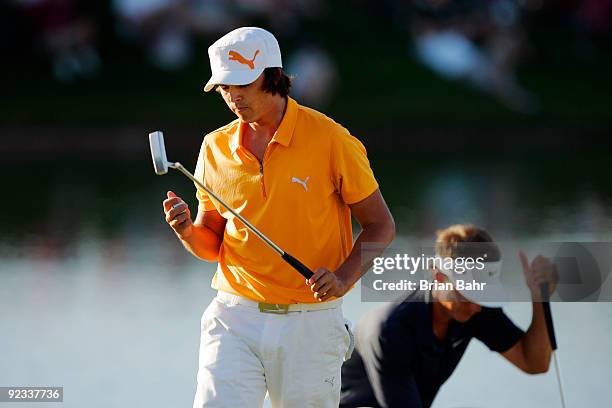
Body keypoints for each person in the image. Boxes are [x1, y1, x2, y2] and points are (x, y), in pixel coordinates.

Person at [161, 27, 395, 408]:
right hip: (234, 315)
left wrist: (343, 278)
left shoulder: (331, 139)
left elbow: (380, 225)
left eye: (242, 84)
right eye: (223, 87)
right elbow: (212, 244)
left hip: (310, 320)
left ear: (272, 76)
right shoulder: (214, 147)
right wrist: (186, 230)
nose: (233, 96)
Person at [340, 224, 558, 408]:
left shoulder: (476, 309)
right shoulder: (391, 328)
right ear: (439, 277)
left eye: (483, 294)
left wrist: (540, 298)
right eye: (468, 293)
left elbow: (535, 362)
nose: (476, 307)